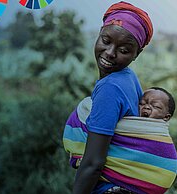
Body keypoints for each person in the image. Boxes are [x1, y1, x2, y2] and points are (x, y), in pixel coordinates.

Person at [72, 2, 154, 193]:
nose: (110, 53)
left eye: (124, 50)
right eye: (106, 40)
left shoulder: (110, 88)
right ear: (99, 33)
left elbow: (93, 164)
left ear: (137, 54)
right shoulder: (128, 76)